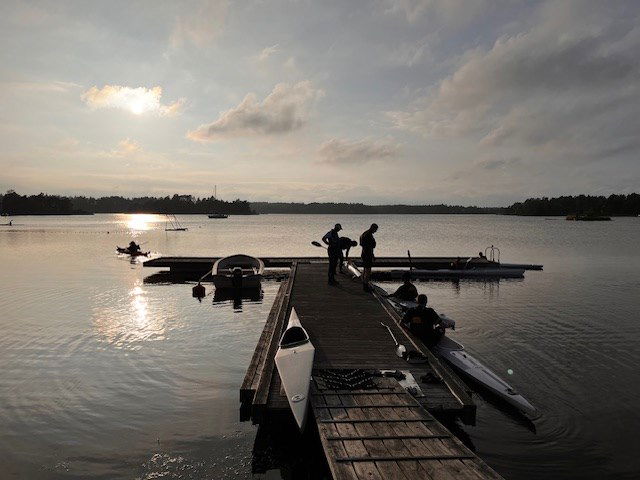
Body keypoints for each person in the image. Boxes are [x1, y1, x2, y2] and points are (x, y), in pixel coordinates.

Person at [359, 223, 378, 291]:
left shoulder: (365, 234)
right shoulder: (368, 235)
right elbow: (367, 247)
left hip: (365, 254)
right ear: (373, 228)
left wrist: (372, 255)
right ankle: (365, 286)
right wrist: (370, 255)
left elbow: (367, 246)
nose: (375, 231)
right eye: (375, 230)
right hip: (367, 255)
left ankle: (365, 284)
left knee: (365, 269)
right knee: (368, 271)